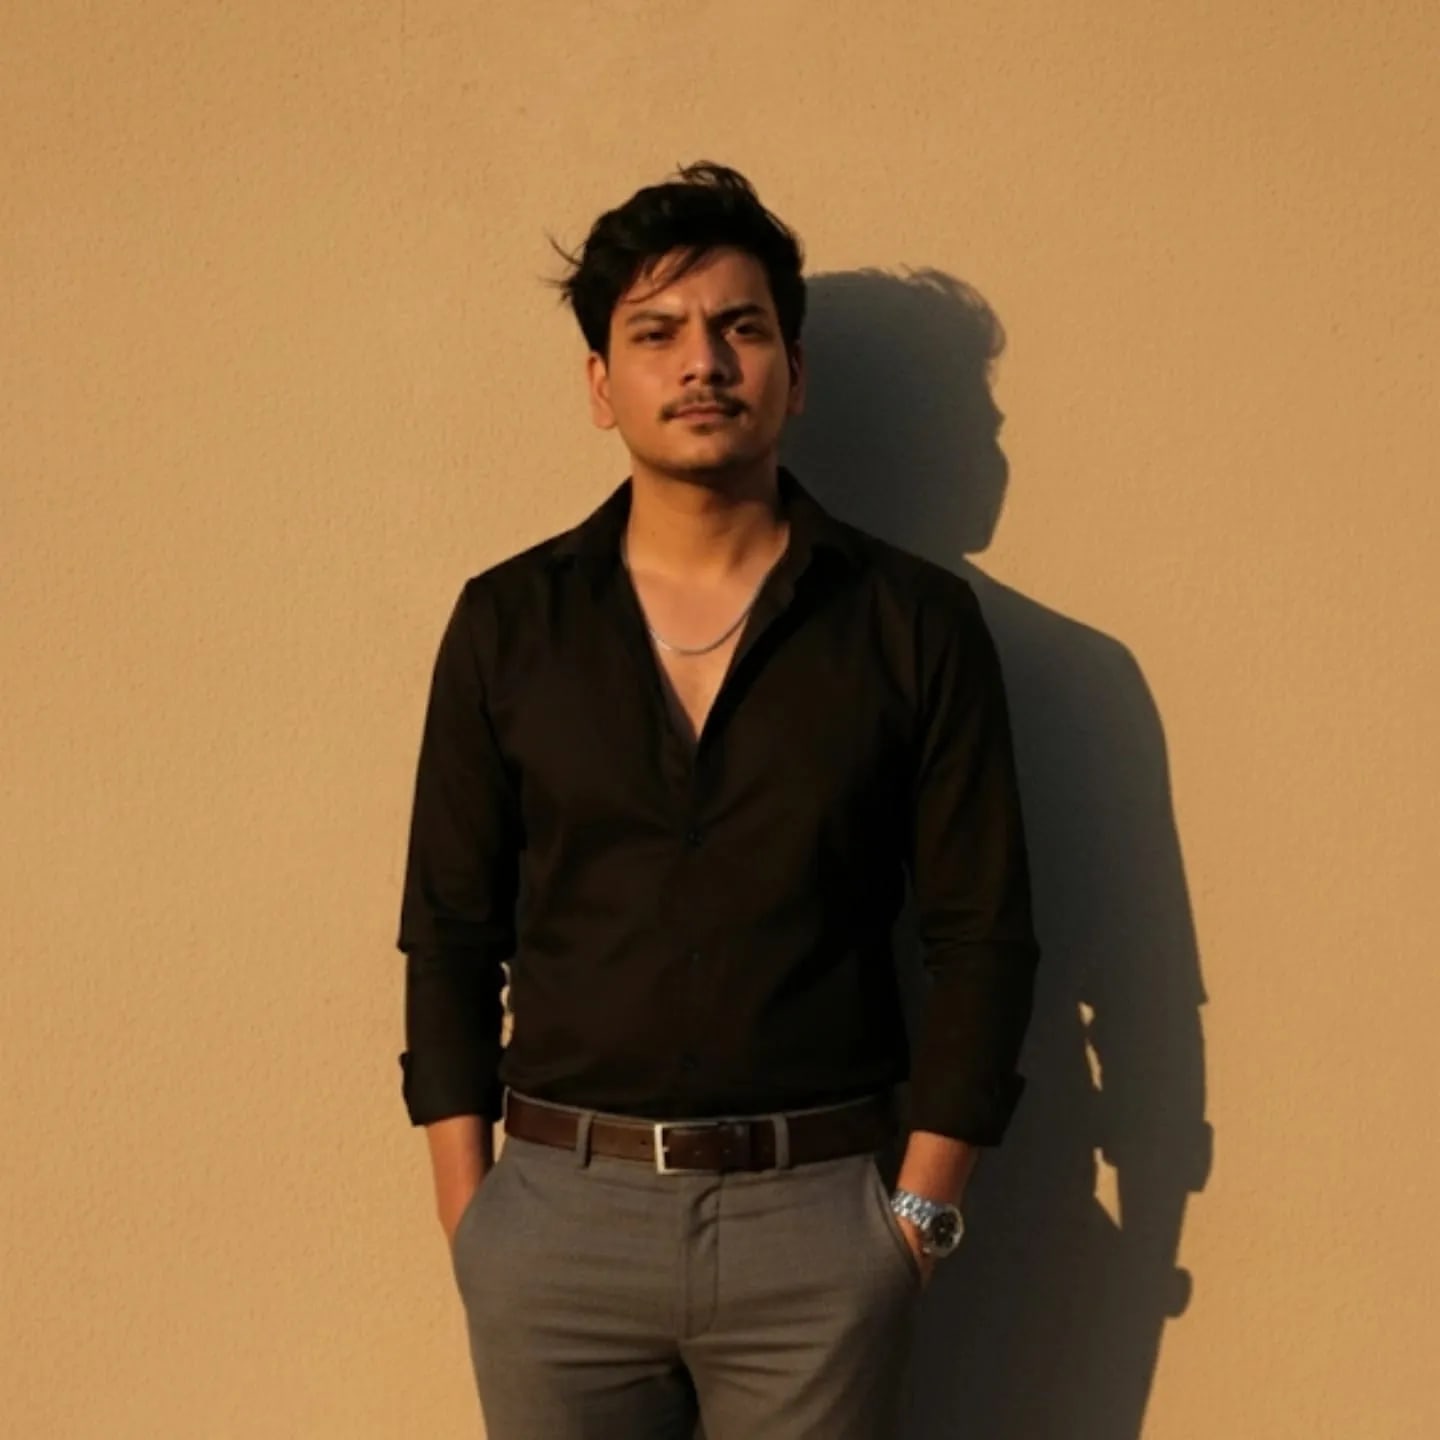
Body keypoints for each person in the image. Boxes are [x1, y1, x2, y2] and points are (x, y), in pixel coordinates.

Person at [394, 160, 1040, 1439]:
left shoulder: (914, 625)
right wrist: (478, 1223)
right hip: (556, 1225)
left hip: (819, 1220)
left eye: (739, 327)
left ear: (794, 372)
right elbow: (450, 932)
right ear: (601, 385)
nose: (702, 362)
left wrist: (914, 1220)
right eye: (657, 333)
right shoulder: (509, 624)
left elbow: (985, 938)